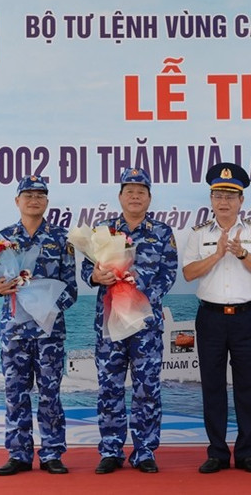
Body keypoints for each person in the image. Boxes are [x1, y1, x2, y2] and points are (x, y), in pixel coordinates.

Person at [80, 168, 178, 474]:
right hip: (110, 322)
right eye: (130, 191)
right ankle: (111, 450)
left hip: (145, 324)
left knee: (147, 389)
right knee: (109, 387)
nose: (135, 196)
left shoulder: (162, 232)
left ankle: (144, 450)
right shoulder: (104, 231)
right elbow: (86, 270)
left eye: (141, 192)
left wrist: (142, 286)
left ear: (149, 197)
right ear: (120, 196)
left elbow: (169, 274)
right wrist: (96, 276)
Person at [0, 175, 78, 476]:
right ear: (17, 201)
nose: (34, 200)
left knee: (50, 394)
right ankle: (18, 454)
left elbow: (71, 289)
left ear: (47, 202)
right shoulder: (3, 238)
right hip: (14, 331)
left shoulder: (61, 239)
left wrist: (45, 307)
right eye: (28, 195)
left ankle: (52, 453)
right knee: (15, 394)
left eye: (40, 195)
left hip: (49, 331)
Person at [182, 162, 251, 474]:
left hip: (246, 318)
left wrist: (242, 253)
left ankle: (247, 453)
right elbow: (189, 273)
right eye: (218, 195)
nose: (224, 202)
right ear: (211, 199)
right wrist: (218, 254)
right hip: (211, 318)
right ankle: (217, 453)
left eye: (231, 196)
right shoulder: (198, 234)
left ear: (241, 200)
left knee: (247, 387)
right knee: (212, 387)